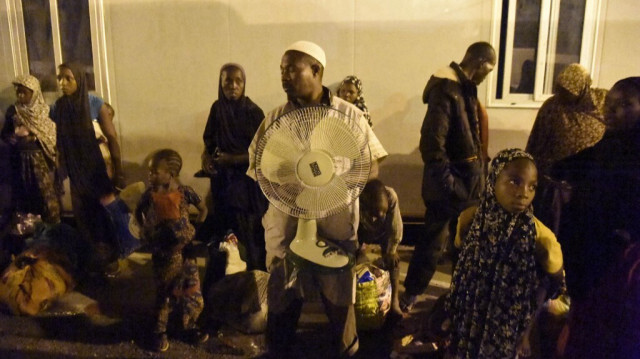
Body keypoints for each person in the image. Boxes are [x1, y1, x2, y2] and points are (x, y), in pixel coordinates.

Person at [246, 40, 387, 357]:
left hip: (335, 222)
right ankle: (279, 348)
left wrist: (338, 174)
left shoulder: (349, 116)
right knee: (284, 288)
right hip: (286, 222)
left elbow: (373, 165)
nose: (284, 76)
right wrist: (289, 177)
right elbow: (258, 171)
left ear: (317, 71)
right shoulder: (273, 121)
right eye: (282, 70)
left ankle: (346, 349)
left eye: (292, 69)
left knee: (338, 292)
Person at [401, 42, 496, 312]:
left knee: (464, 243)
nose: (485, 77)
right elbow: (432, 144)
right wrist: (450, 184)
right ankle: (411, 295)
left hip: (465, 185)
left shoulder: (462, 89)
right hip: (453, 187)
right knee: (434, 242)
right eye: (487, 71)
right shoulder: (447, 90)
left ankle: (460, 297)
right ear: (478, 63)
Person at [445, 148, 563, 359]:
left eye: (532, 186)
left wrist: (526, 332)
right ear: (493, 180)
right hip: (471, 318)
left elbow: (548, 284)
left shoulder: (540, 237)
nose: (523, 193)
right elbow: (461, 267)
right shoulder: (471, 220)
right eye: (514, 181)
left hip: (508, 327)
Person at [552, 77, 640, 358]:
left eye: (625, 104)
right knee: (584, 312)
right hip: (589, 246)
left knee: (606, 322)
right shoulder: (613, 141)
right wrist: (556, 170)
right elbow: (587, 160)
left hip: (616, 257)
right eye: (610, 103)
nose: (612, 110)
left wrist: (623, 235)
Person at [52, 62, 136, 275]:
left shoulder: (95, 104)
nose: (62, 83)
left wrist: (118, 171)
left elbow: (112, 138)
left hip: (97, 172)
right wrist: (59, 172)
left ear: (79, 79)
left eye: (68, 78)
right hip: (76, 173)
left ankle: (111, 259)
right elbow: (59, 142)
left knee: (104, 217)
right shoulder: (58, 108)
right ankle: (92, 262)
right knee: (83, 219)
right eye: (60, 78)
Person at [134, 149, 208, 352]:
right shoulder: (150, 195)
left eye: (155, 172)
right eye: (150, 172)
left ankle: (190, 325)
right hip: (164, 253)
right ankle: (160, 330)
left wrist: (195, 229)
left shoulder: (185, 192)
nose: (151, 176)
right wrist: (146, 229)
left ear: (171, 172)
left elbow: (203, 209)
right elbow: (138, 211)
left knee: (190, 291)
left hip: (186, 252)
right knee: (165, 292)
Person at [200, 63, 267, 272]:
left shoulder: (253, 112)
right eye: (228, 80)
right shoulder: (217, 108)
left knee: (247, 234)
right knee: (223, 233)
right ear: (220, 82)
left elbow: (262, 153)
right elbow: (209, 142)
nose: (233, 85)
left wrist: (232, 159)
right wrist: (206, 158)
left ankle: (254, 279)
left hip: (245, 186)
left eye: (239, 81)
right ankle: (224, 281)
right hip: (222, 181)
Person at [525, 64, 607, 234]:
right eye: (559, 89)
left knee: (580, 223)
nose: (561, 94)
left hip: (588, 178)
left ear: (581, 88)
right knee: (553, 221)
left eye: (567, 90)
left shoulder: (600, 102)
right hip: (556, 177)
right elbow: (537, 137)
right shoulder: (552, 106)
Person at [1, 75, 60, 224]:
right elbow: (5, 134)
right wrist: (16, 134)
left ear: (34, 93)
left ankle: (50, 227)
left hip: (39, 160)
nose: (20, 96)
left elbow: (50, 133)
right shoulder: (13, 111)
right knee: (23, 193)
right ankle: (28, 227)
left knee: (44, 193)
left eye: (24, 92)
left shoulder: (44, 111)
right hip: (19, 159)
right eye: (18, 92)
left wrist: (33, 136)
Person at [356, 179, 403, 317]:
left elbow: (396, 227)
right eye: (375, 214)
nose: (378, 217)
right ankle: (356, 301)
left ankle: (395, 302)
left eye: (382, 212)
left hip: (384, 232)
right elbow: (350, 230)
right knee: (355, 265)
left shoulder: (391, 197)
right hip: (361, 229)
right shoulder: (355, 199)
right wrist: (357, 250)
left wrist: (391, 251)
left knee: (393, 261)